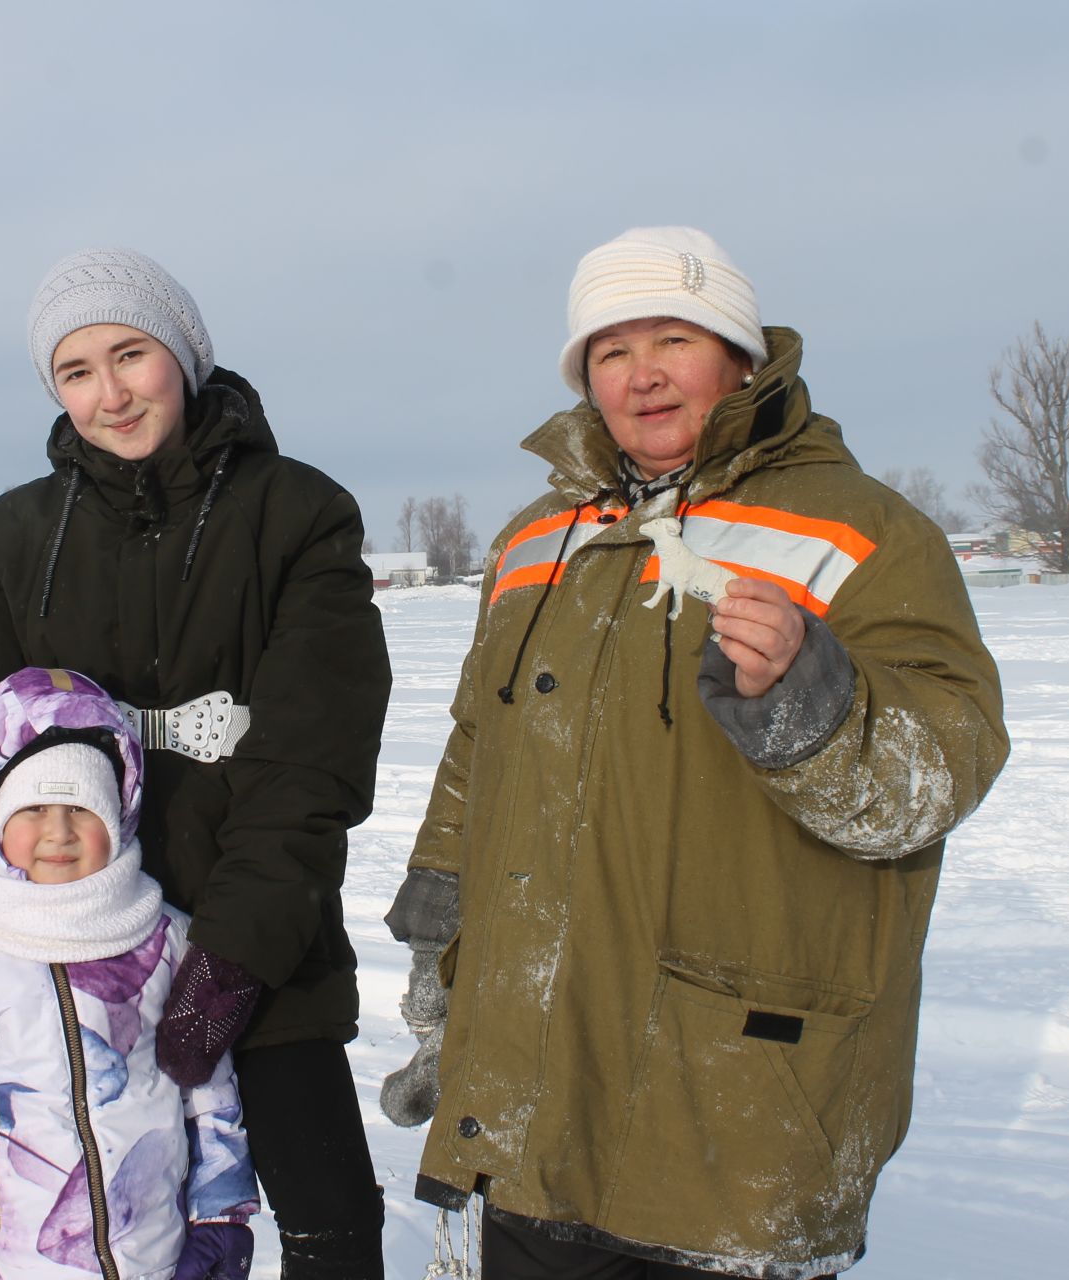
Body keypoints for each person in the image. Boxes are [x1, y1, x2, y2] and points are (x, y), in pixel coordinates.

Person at [381, 227, 1009, 1279]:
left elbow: (940, 771)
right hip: (536, 1074)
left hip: (736, 1096)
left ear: (743, 360)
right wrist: (441, 941)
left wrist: (813, 698)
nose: (644, 373)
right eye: (611, 350)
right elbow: (476, 747)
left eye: (675, 337)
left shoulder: (861, 529)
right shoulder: (538, 536)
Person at [0, 248, 392, 1277]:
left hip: (263, 947)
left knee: (329, 1225)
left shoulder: (298, 515)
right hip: (70, 951)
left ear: (184, 356)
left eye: (131, 354)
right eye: (76, 370)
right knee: (85, 1227)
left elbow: (308, 760)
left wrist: (237, 950)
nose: (109, 393)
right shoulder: (17, 534)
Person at [0, 667, 259, 1279]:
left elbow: (210, 1097)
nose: (59, 832)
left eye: (81, 807)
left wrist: (220, 1217)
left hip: (153, 1254)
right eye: (34, 808)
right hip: (9, 1261)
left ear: (119, 812)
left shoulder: (163, 936)